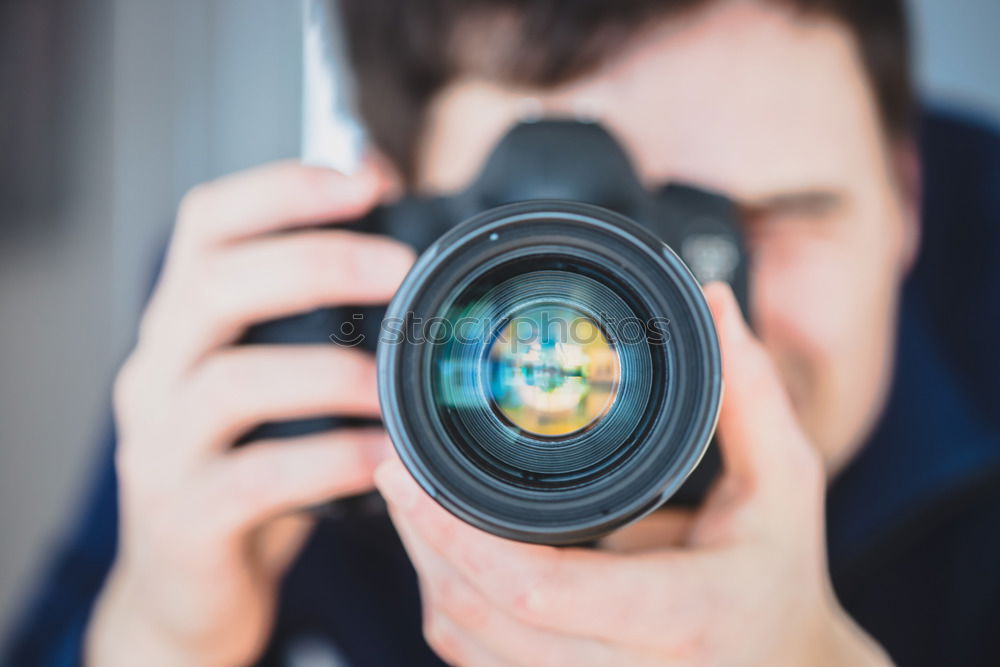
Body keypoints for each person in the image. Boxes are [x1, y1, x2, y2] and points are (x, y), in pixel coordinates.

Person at [6, 0, 1000, 665]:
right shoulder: (286, 337)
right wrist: (163, 635)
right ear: (397, 215)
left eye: (773, 221)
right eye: (545, 252)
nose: (677, 327)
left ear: (910, 194)